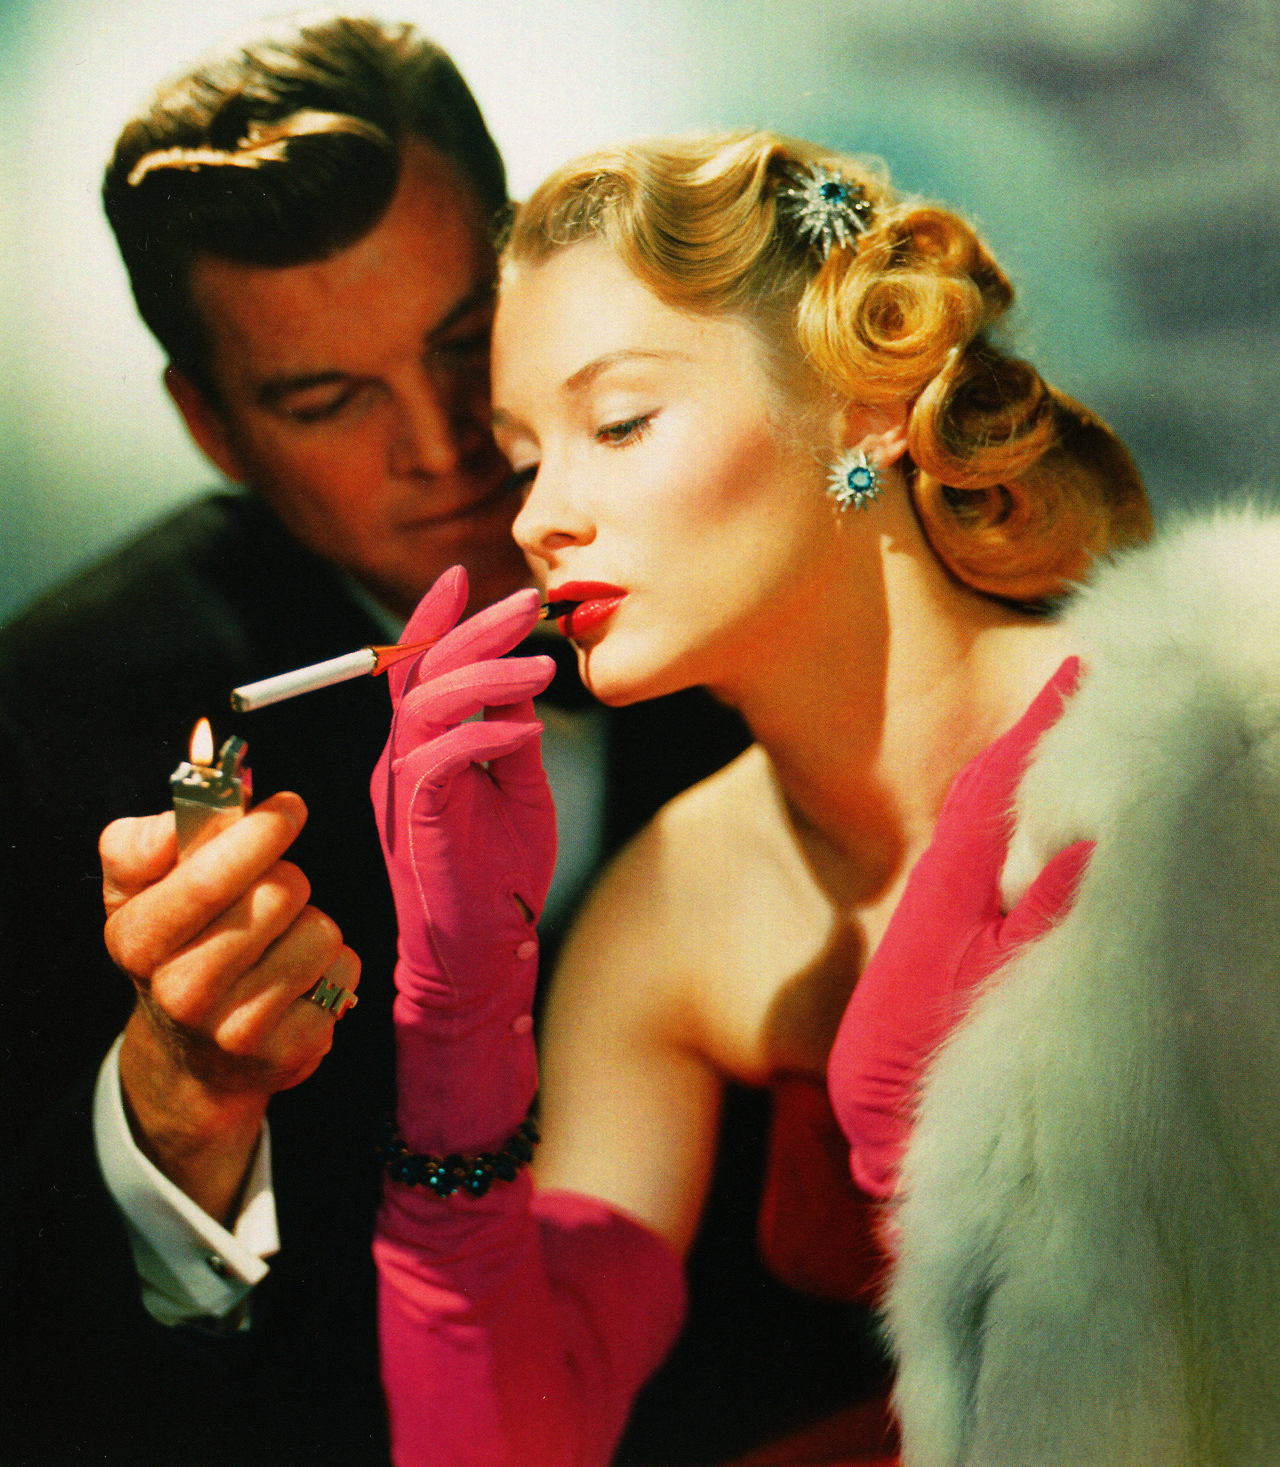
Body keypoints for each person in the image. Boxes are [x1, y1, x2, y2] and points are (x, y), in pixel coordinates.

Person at [359, 128, 1264, 1467]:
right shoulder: (671, 903)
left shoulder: (1219, 729)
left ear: (865, 404)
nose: (540, 517)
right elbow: (506, 1447)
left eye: (619, 422)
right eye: (524, 456)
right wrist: (457, 1022)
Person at [0, 25, 751, 1466]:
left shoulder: (750, 535)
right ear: (212, 427)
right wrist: (178, 1107)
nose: (444, 442)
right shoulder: (51, 721)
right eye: (326, 399)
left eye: (465, 344)